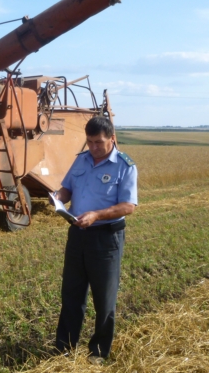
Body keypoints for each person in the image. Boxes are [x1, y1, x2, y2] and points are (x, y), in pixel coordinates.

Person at [51, 116, 138, 365]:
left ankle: (98, 352)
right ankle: (64, 349)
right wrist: (59, 197)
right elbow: (67, 188)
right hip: (77, 235)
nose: (94, 147)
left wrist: (97, 215)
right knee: (71, 294)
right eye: (89, 142)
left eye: (98, 142)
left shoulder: (125, 166)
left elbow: (128, 206)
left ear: (112, 138)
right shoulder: (81, 160)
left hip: (106, 238)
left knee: (104, 298)